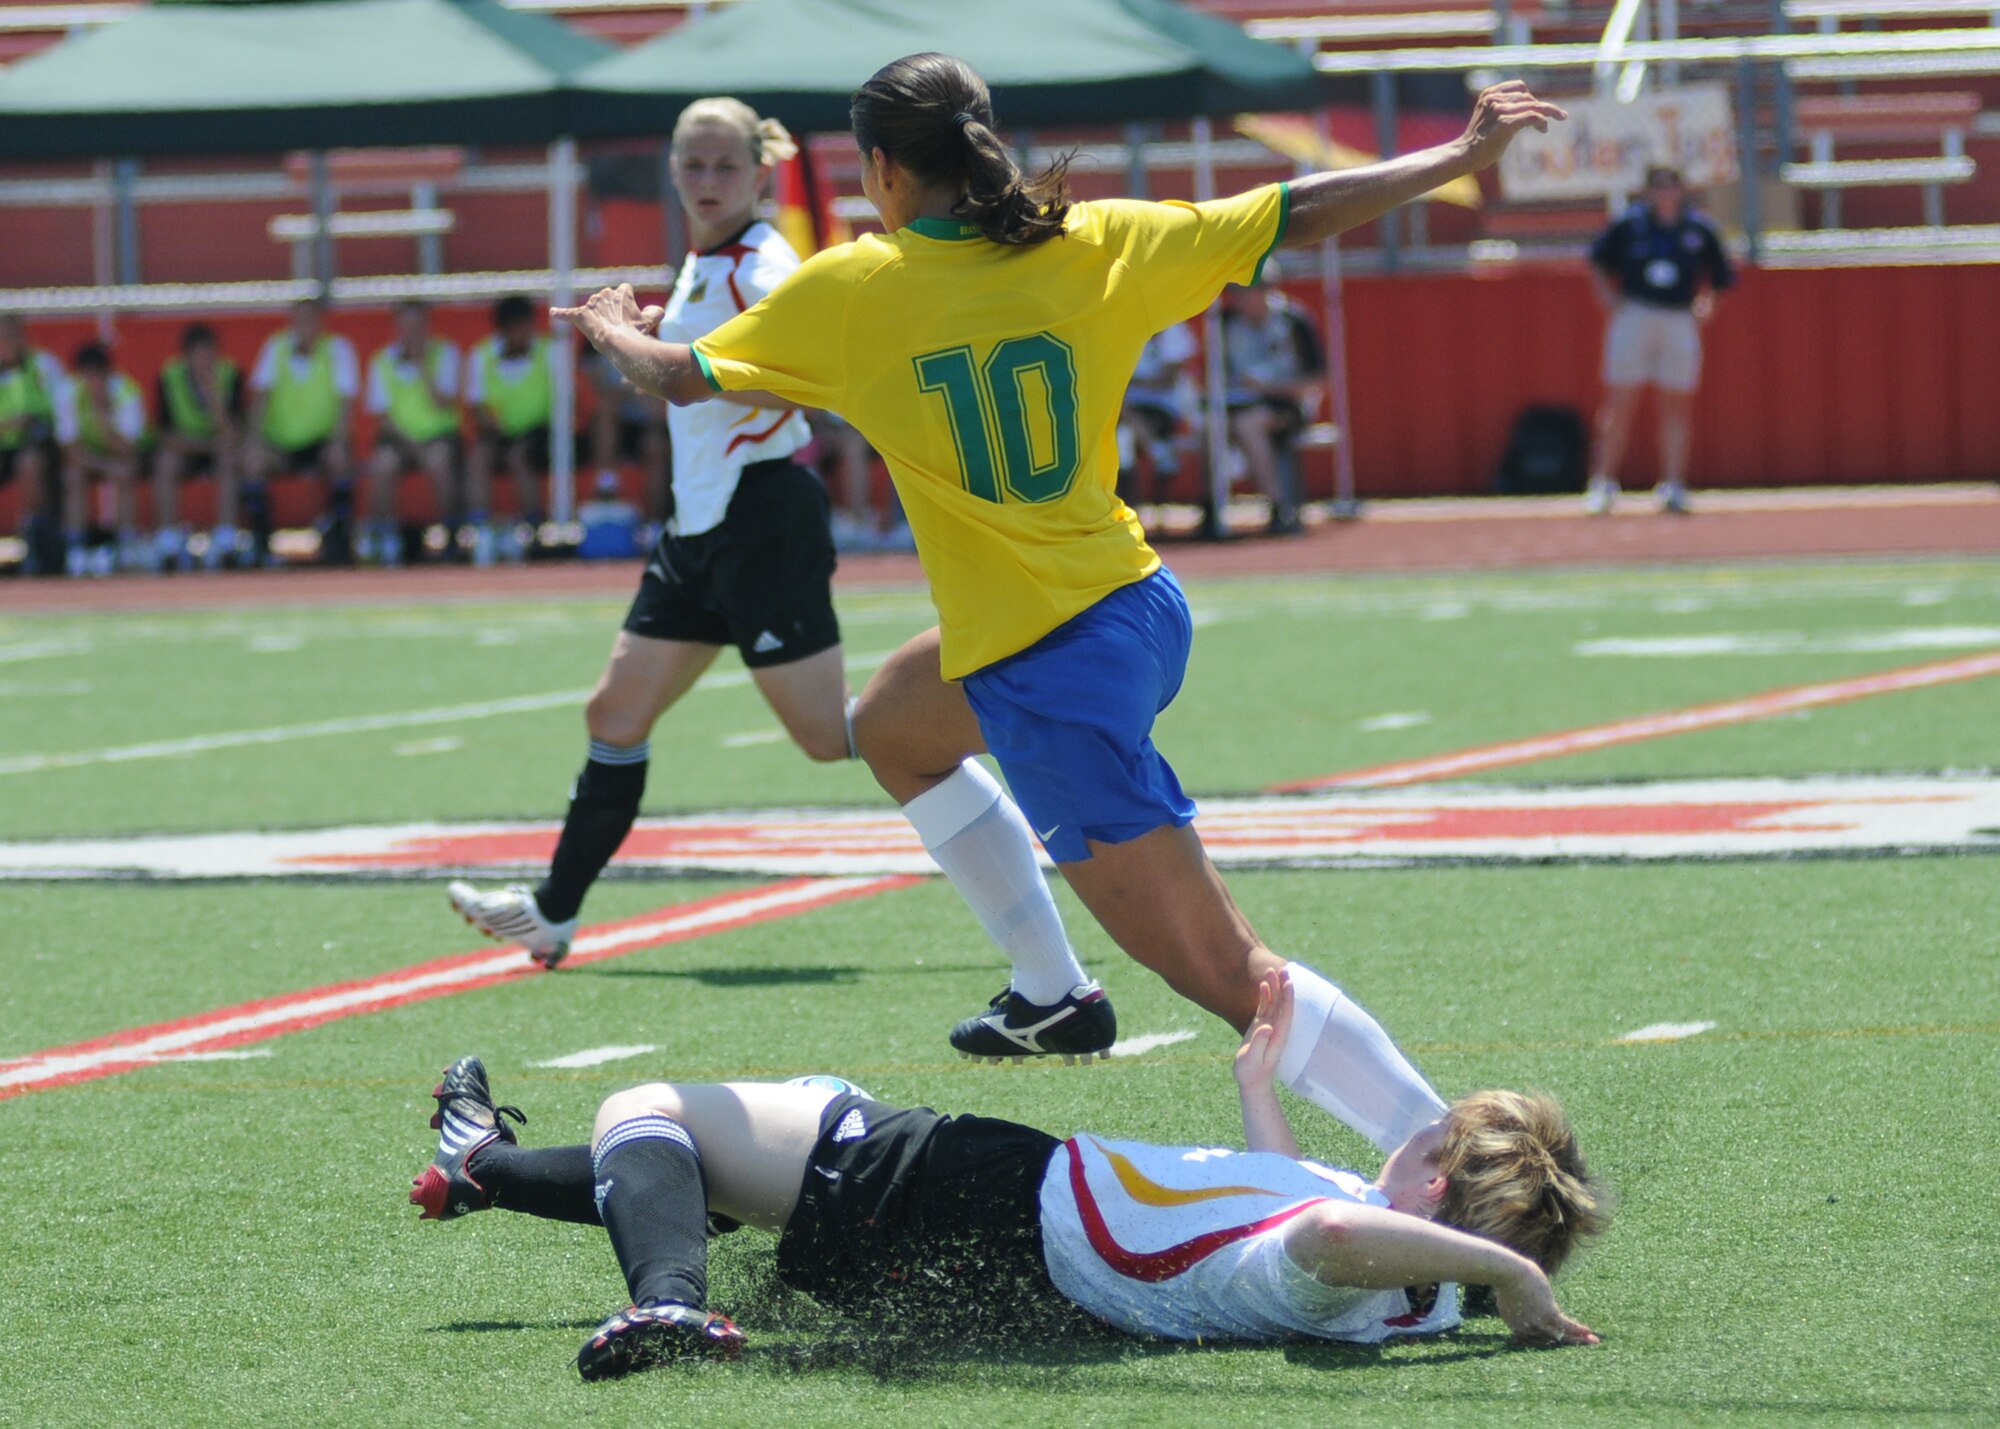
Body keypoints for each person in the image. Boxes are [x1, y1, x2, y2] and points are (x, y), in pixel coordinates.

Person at [551, 55, 1566, 1095]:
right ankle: (1050, 990)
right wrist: (1454, 151)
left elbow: (676, 377)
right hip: (1132, 607)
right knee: (895, 725)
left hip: (1048, 670)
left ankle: (1442, 1160)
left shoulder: (854, 288)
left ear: (884, 169)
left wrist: (609, 326)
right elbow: (1293, 211)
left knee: (1231, 975)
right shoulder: (1095, 239)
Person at [448, 97, 1099, 1052]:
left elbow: (788, 366)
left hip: (761, 517)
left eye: (723, 164)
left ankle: (997, 751)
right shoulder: (712, 262)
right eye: (691, 163)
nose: (705, 178)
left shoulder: (764, 261)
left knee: (838, 739)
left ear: (759, 174)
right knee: (613, 714)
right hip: (699, 525)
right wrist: (669, 321)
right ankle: (553, 910)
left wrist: (629, 339)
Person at [406, 970, 1606, 1379]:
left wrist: (1510, 1275)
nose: (1413, 1129)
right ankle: (482, 1161)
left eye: (1433, 1133)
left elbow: (1323, 1241)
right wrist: (1255, 1094)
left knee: (648, 1110)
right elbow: (1296, 1218)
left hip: (973, 1194)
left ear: (1441, 1181)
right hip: (991, 1236)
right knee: (722, 1160)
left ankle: (663, 1299)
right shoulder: (1410, 1293)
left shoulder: (1366, 1265)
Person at [1583, 164, 1734, 516]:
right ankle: (1602, 483)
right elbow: (1597, 260)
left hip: (1678, 316)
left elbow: (1721, 276)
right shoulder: (1630, 225)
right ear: (1648, 192)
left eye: (1671, 186)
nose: (1665, 193)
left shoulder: (1699, 228)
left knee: (1675, 403)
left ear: (1681, 190)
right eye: (1658, 187)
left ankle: (1673, 485)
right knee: (1620, 402)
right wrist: (1607, 296)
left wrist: (1707, 303)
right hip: (1635, 312)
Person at [245, 297, 360, 564]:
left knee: (340, 459)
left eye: (310, 320)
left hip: (321, 441)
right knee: (253, 461)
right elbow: (261, 398)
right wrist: (254, 440)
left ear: (321, 323)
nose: (304, 327)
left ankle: (338, 537)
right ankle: (262, 542)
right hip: (281, 442)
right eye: (298, 320)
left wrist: (338, 441)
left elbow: (346, 404)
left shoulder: (339, 350)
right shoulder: (276, 347)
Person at [1221, 269, 1324, 536]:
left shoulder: (1294, 320)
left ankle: (1279, 506)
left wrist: (1268, 388)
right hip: (1237, 404)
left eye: (1246, 291)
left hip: (1288, 404)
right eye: (1235, 292)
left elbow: (1318, 380)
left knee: (1247, 424)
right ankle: (1212, 508)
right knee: (1212, 426)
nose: (1240, 299)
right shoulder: (1225, 322)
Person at [361, 301, 462, 566]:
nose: (411, 333)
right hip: (398, 439)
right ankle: (386, 536)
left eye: (417, 326)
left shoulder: (445, 353)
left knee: (439, 462)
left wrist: (422, 366)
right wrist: (410, 444)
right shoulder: (382, 360)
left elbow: (443, 403)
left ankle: (449, 533)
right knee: (382, 465)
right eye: (406, 327)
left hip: (438, 436)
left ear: (428, 327)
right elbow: (381, 417)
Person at [465, 294, 553, 562]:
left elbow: (565, 402)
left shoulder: (548, 351)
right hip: (500, 434)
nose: (522, 333)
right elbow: (477, 407)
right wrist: (495, 434)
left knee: (520, 455)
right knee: (478, 455)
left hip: (543, 432)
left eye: (526, 325)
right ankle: (482, 531)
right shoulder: (482, 355)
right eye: (515, 326)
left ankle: (532, 529)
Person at [152, 322, 245, 571]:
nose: (205, 360)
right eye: (198, 354)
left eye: (209, 353)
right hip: (187, 448)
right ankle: (168, 540)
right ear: (186, 356)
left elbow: (234, 433)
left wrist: (214, 396)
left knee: (229, 460)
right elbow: (164, 435)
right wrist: (205, 445)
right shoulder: (169, 376)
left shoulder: (230, 374)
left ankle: (226, 538)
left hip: (220, 449)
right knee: (166, 462)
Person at [52, 342, 148, 576]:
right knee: (72, 476)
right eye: (88, 374)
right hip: (87, 459)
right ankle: (77, 547)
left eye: (99, 374)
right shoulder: (67, 392)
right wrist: (104, 465)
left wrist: (102, 418)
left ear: (108, 373)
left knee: (125, 472)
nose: (94, 381)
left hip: (118, 456)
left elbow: (127, 448)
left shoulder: (127, 392)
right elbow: (70, 449)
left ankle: (124, 543)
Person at [583, 346, 670, 537]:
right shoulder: (592, 350)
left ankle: (653, 523)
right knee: (607, 413)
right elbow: (597, 395)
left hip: (644, 426)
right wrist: (630, 392)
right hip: (609, 426)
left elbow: (655, 409)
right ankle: (606, 489)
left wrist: (626, 393)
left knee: (655, 445)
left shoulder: (646, 346)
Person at [0, 315, 63, 575]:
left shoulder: (43, 364)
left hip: (38, 444)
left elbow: (61, 408)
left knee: (30, 464)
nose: (7, 343)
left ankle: (36, 539)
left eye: (12, 336)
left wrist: (33, 422)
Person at [1115, 322, 1198, 504]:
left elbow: (1167, 379)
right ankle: (1156, 449)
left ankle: (1155, 448)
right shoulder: (1120, 326)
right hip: (1125, 407)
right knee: (1122, 438)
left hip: (1162, 408)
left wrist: (1132, 381)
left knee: (1123, 425)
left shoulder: (1174, 327)